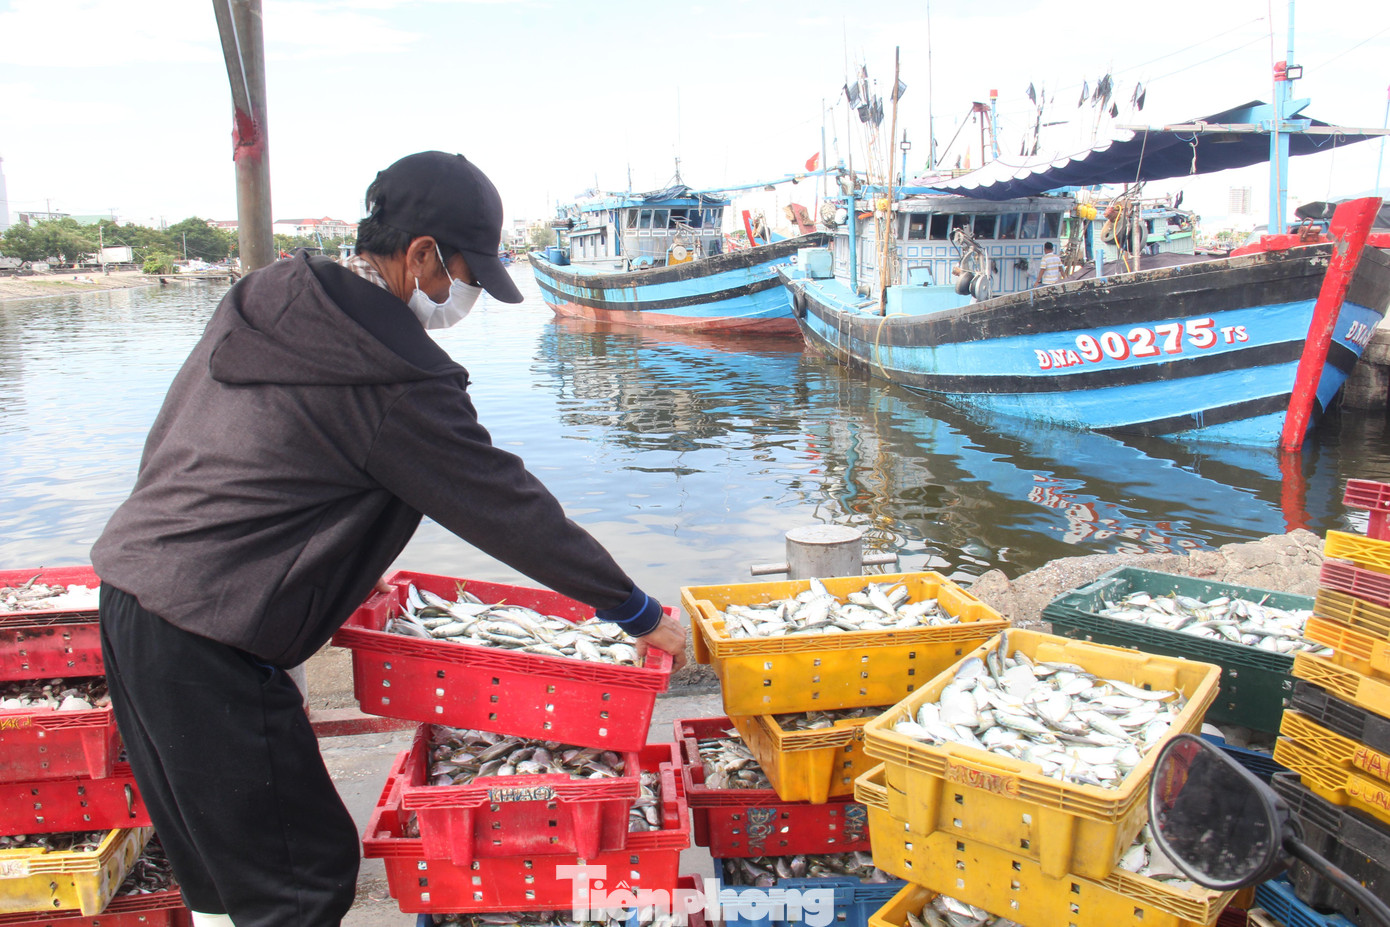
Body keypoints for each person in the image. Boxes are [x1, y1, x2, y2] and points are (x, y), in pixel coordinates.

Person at [90, 150, 687, 927]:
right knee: (301, 880)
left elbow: (202, 449)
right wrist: (637, 611)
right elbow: (511, 511)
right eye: (464, 275)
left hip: (134, 596)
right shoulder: (392, 377)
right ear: (420, 255)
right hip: (207, 640)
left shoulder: (270, 296)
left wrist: (320, 567)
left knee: (223, 873)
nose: (463, 297)